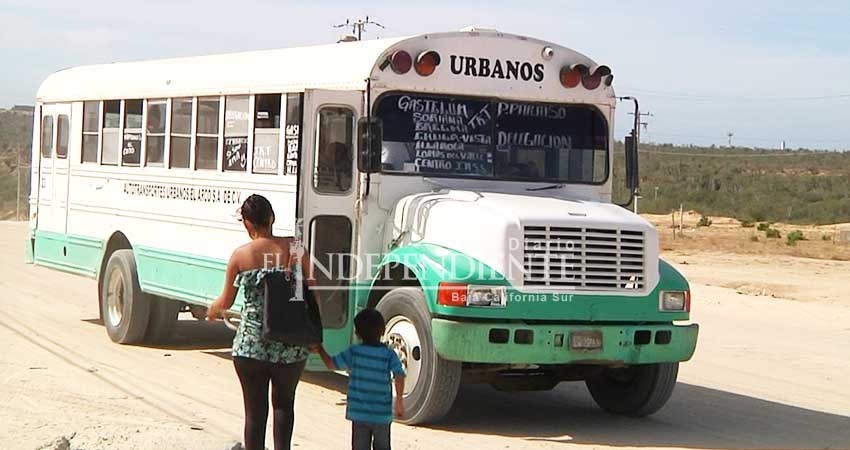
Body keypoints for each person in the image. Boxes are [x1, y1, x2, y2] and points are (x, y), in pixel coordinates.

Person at [207, 194, 315, 450]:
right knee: (284, 406)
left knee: (255, 413)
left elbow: (226, 302)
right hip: (290, 346)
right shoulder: (296, 248)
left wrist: (212, 309)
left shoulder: (240, 256)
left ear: (247, 223)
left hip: (251, 347)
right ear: (272, 218)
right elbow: (312, 290)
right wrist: (313, 334)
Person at [311, 309, 405, 450]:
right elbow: (399, 375)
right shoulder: (388, 354)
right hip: (382, 415)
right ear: (382, 331)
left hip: (359, 414)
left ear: (357, 333)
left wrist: (320, 349)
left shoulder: (354, 352)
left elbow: (332, 364)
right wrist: (399, 401)